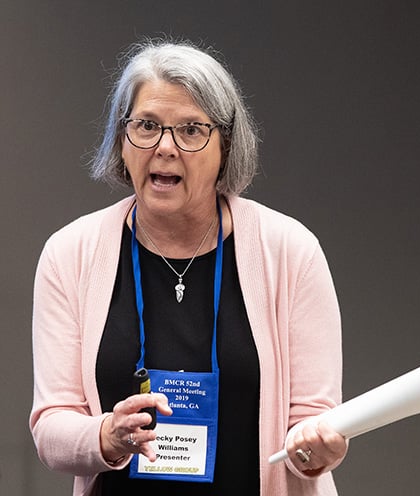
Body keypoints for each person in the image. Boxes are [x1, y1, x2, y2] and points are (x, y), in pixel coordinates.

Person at [30, 39, 347, 496]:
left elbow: (313, 420)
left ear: (227, 146)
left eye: (191, 130)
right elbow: (51, 425)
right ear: (122, 140)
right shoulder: (69, 254)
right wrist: (107, 436)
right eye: (146, 126)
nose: (165, 147)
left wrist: (319, 446)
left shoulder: (291, 251)